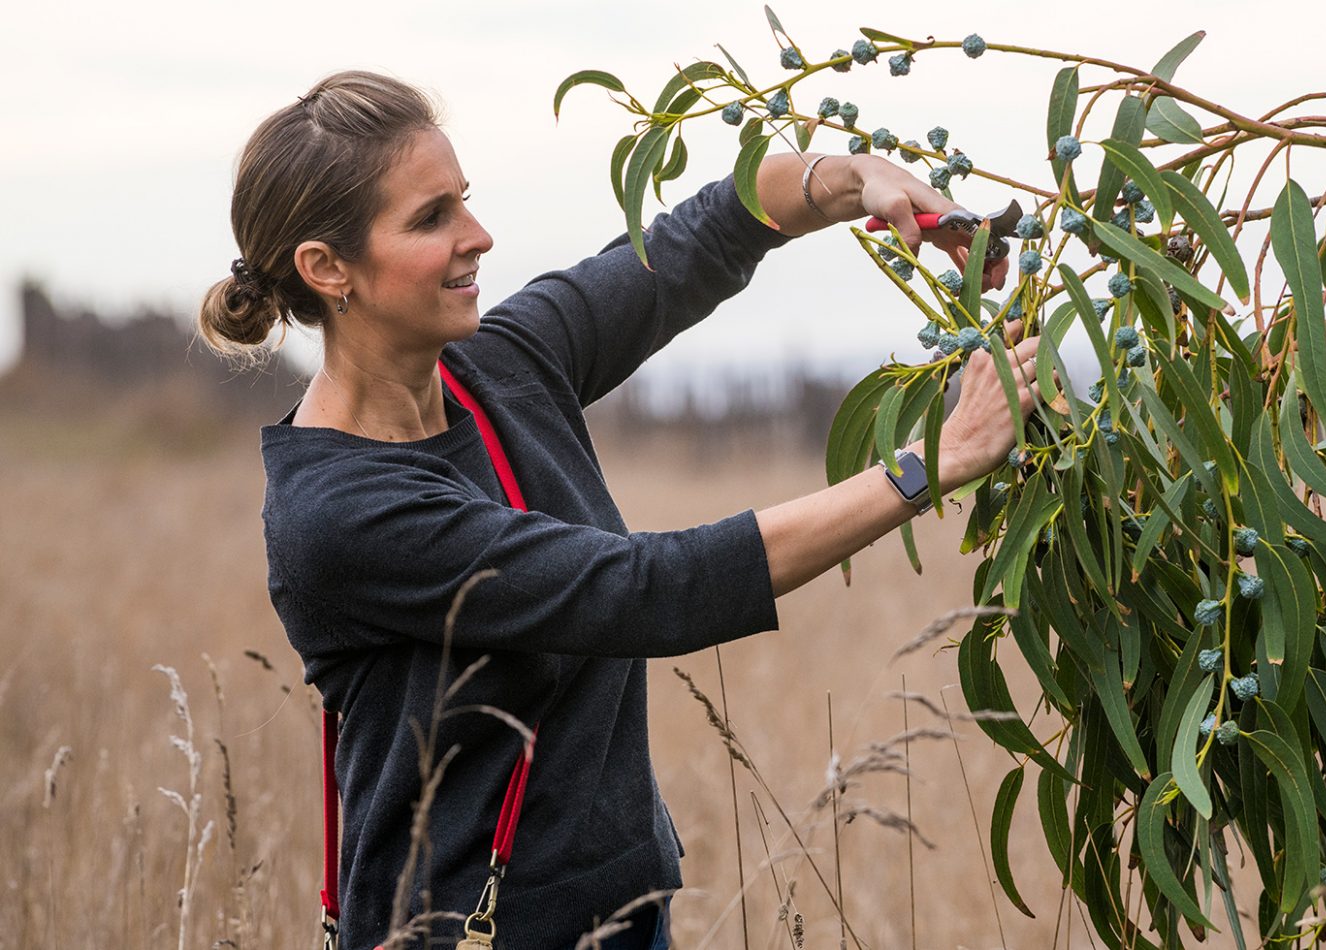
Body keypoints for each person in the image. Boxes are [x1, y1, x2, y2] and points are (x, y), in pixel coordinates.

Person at [197, 69, 1043, 950]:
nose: (477, 237)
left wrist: (850, 175)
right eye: (431, 218)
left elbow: (698, 240)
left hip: (628, 914)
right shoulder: (341, 516)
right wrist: (929, 465)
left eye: (465, 202)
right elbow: (649, 591)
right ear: (327, 268)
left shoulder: (502, 367)